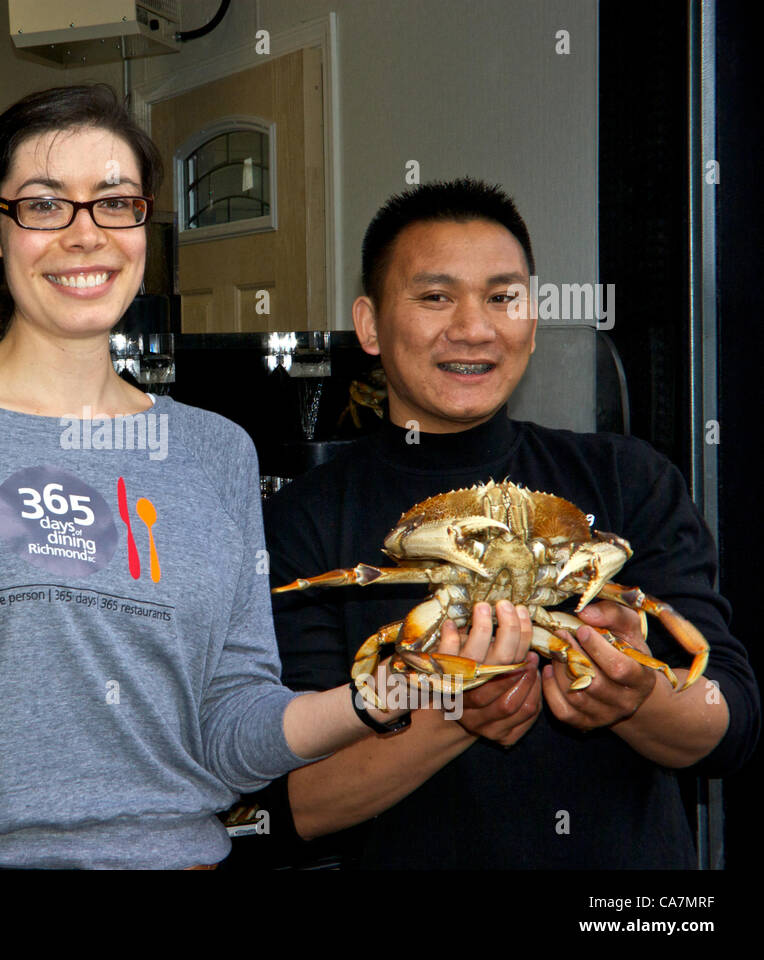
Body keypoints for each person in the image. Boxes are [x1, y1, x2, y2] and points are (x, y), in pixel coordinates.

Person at [0, 84, 409, 869]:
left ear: (144, 222)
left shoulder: (215, 451)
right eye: (43, 205)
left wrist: (380, 698)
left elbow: (230, 734)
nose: (84, 235)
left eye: (114, 202)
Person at [248, 178, 759, 869]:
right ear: (368, 325)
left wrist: (638, 693)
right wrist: (451, 717)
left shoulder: (626, 480)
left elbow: (730, 728)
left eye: (502, 296)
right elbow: (291, 805)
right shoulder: (300, 524)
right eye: (435, 296)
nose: (474, 327)